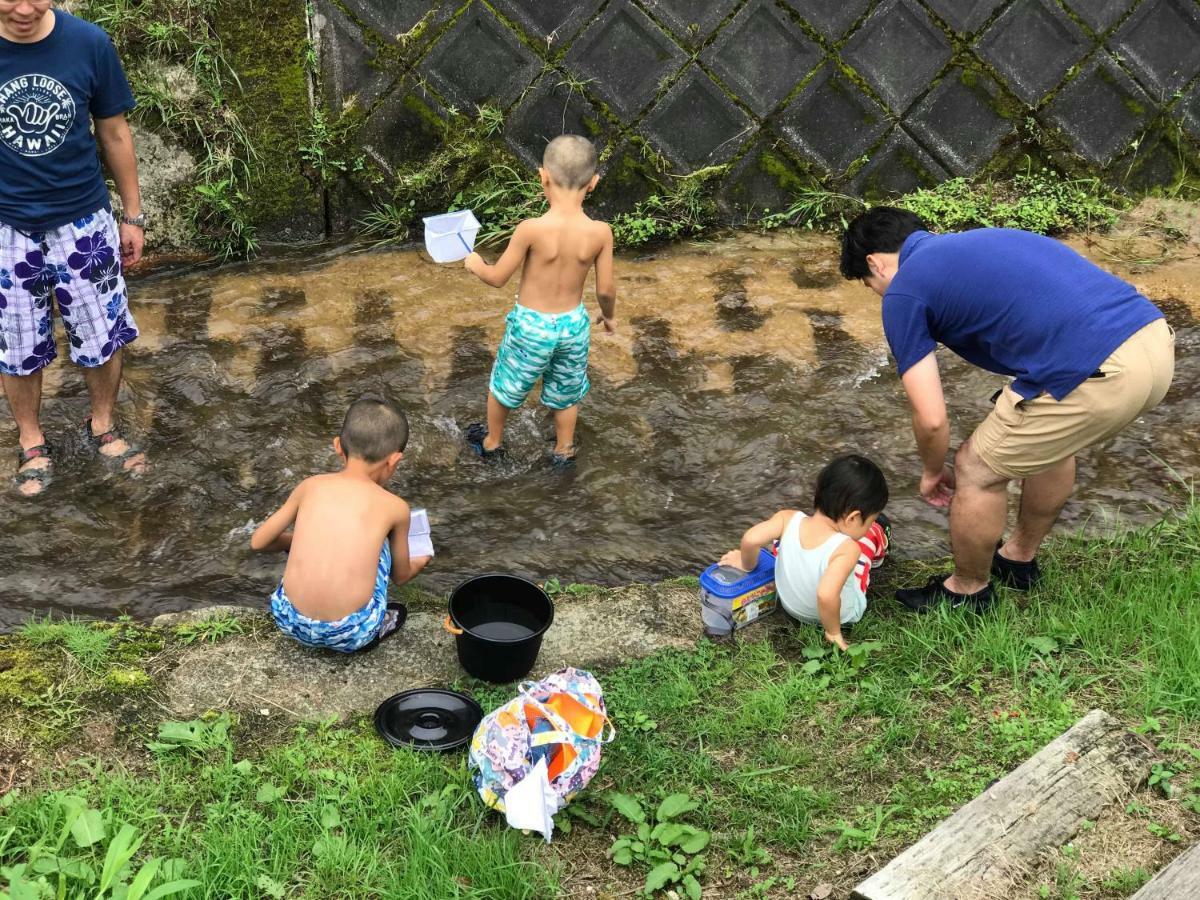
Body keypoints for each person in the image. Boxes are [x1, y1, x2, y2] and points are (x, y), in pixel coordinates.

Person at [840, 207, 1174, 613]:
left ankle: (967, 591)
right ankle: (1017, 560)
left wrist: (932, 472)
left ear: (874, 262)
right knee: (1050, 441)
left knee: (976, 469)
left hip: (1100, 369)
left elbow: (931, 418)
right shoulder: (984, 238)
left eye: (868, 283)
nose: (877, 293)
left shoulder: (904, 290)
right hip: (1155, 342)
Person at [0, 0, 148, 496]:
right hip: (6, 225)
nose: (24, 9)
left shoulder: (88, 43)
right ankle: (32, 442)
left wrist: (132, 216)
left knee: (102, 332)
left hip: (82, 219)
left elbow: (114, 132)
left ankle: (102, 425)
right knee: (17, 343)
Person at [463, 134, 616, 464]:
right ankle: (563, 452)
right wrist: (609, 315)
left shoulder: (531, 229)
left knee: (504, 385)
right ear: (594, 183)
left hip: (531, 327)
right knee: (566, 392)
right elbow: (605, 290)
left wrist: (476, 264)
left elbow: (498, 278)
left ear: (543, 177)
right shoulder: (601, 232)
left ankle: (492, 443)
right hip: (574, 326)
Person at [250, 397, 431, 653]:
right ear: (394, 460)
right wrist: (422, 561)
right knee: (380, 545)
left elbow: (259, 541)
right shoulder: (395, 507)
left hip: (288, 621)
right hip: (352, 634)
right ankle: (378, 626)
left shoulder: (310, 486)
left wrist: (299, 539)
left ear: (337, 446)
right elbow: (401, 576)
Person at [720, 455, 890, 650]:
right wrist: (833, 632)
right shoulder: (847, 548)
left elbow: (751, 538)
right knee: (867, 545)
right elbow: (826, 595)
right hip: (841, 616)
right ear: (853, 518)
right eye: (868, 522)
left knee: (780, 542)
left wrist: (745, 564)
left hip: (789, 605)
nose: (867, 526)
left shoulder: (787, 518)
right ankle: (880, 538)